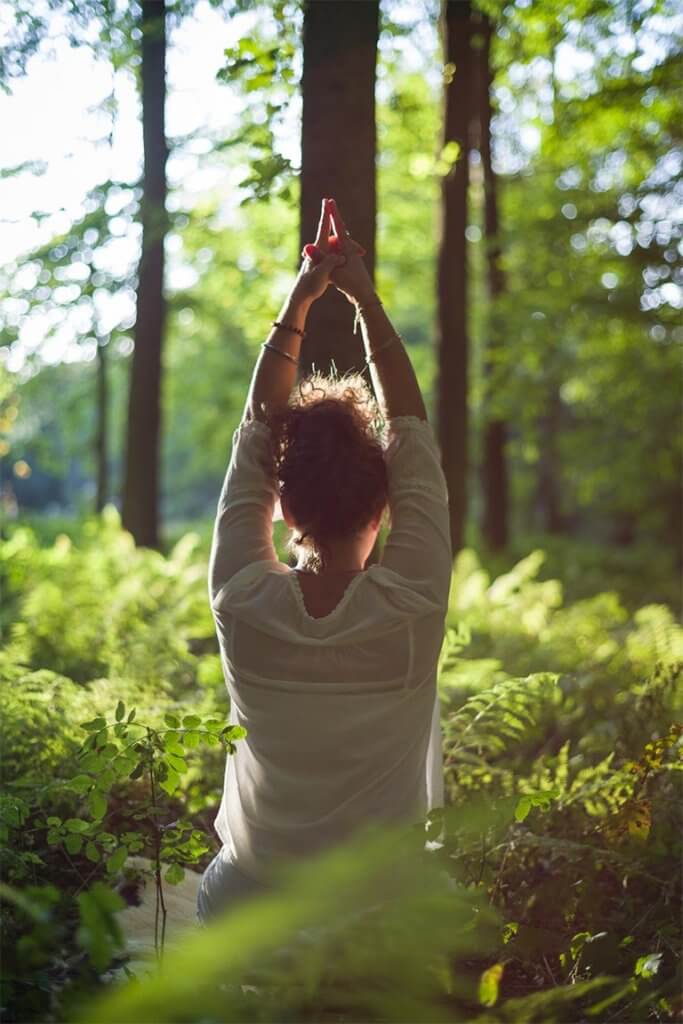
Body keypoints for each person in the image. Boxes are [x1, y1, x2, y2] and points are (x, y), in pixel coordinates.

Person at [196, 197, 452, 926]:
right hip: (382, 921)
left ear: (282, 507)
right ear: (386, 505)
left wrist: (301, 295)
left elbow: (255, 436)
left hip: (250, 914)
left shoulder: (241, 603)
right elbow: (411, 432)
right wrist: (363, 297)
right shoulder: (411, 608)